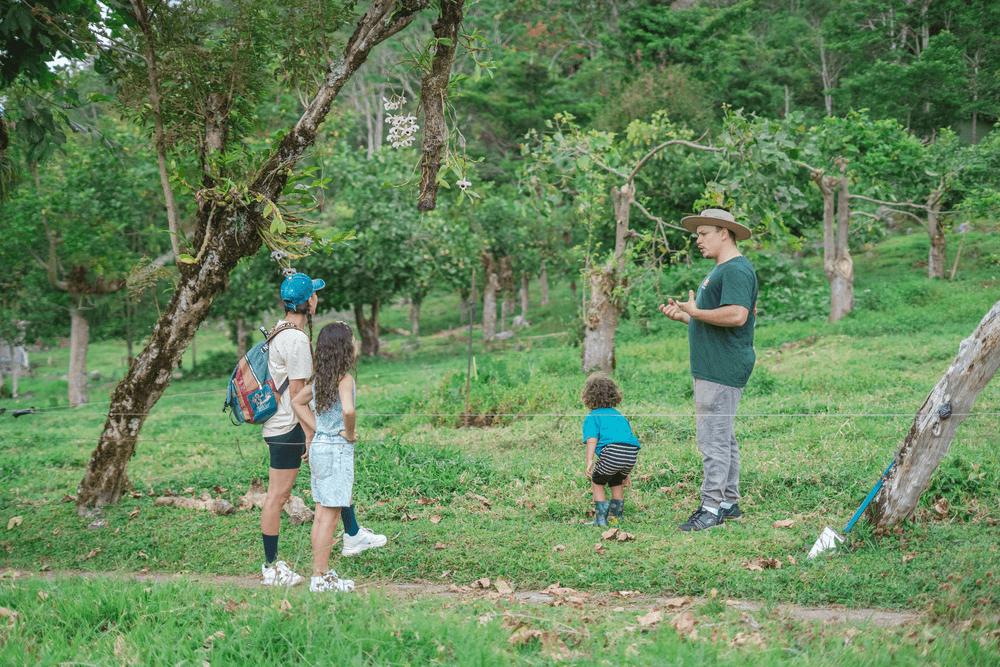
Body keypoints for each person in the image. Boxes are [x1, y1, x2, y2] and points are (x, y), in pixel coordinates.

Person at [659, 208, 758, 532]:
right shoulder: (721, 270)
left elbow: (737, 315)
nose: (698, 240)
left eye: (703, 234)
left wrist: (698, 313)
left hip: (721, 367)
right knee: (722, 437)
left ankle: (710, 508)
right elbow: (716, 320)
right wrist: (686, 316)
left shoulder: (735, 270)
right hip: (715, 365)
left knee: (712, 439)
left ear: (723, 233)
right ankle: (728, 503)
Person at [292, 321, 386, 592]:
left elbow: (297, 401)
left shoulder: (320, 379)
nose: (356, 345)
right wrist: (350, 433)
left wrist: (319, 428)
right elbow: (348, 410)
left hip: (320, 448)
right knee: (330, 518)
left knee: (322, 515)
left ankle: (319, 575)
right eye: (353, 341)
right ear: (344, 348)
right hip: (335, 450)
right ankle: (321, 578)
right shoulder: (344, 379)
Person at [581, 373, 641, 527]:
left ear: (588, 396)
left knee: (597, 482)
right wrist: (626, 472)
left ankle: (600, 520)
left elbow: (592, 439)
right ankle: (615, 518)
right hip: (631, 453)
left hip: (612, 451)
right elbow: (626, 441)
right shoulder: (619, 415)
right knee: (616, 482)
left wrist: (589, 460)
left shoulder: (592, 416)